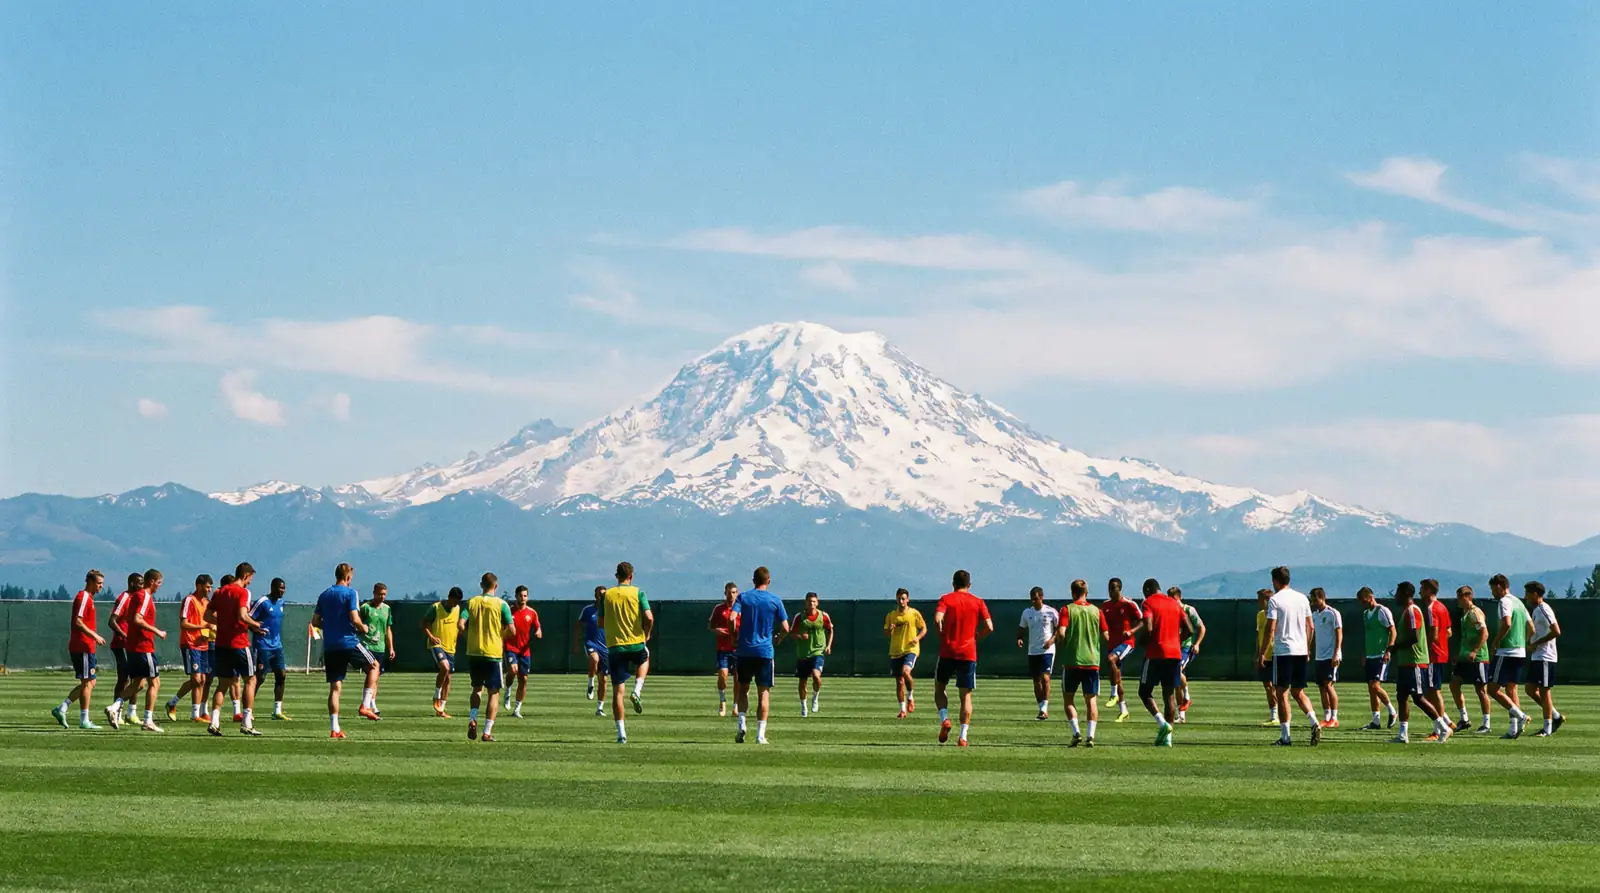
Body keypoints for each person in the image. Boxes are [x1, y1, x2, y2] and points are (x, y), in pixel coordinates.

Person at [1124, 578, 1191, 747]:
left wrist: (1144, 641)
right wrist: (1176, 640)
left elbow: (1148, 625)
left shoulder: (1148, 602)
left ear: (1148, 589)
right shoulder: (1174, 603)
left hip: (1156, 654)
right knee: (1168, 695)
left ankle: (1163, 724)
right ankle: (1168, 738)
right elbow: (1190, 629)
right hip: (1174, 654)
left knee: (1144, 692)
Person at [312, 563, 375, 740]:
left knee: (335, 687)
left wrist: (331, 626)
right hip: (348, 642)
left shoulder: (324, 595)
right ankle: (365, 705)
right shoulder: (351, 593)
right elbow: (355, 619)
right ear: (348, 577)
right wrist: (363, 628)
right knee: (374, 666)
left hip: (331, 645)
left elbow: (315, 621)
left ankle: (334, 728)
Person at [730, 566, 789, 744]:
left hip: (744, 650)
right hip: (764, 652)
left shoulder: (744, 597)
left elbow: (732, 618)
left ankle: (741, 723)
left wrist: (735, 637)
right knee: (763, 692)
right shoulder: (775, 600)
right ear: (768, 581)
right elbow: (786, 627)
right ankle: (760, 735)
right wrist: (779, 638)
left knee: (743, 688)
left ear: (753, 580)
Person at [1263, 567, 1321, 747]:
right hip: (1300, 651)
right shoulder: (1302, 598)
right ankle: (1314, 722)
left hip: (1284, 651)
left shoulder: (1275, 600)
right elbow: (1310, 627)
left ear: (1275, 581)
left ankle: (1285, 736)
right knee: (1298, 691)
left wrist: (1262, 652)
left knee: (1281, 692)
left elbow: (1270, 628)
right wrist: (1308, 648)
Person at [935, 569, 993, 747]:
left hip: (947, 651)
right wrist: (976, 636)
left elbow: (938, 619)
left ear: (953, 583)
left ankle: (945, 718)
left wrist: (942, 635)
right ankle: (963, 736)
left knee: (939, 688)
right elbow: (989, 627)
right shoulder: (978, 601)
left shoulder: (946, 599)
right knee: (966, 696)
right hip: (968, 653)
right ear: (969, 585)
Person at [1388, 582, 1451, 744]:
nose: (1395, 596)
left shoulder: (1412, 611)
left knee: (1417, 697)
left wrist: (1395, 647)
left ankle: (1443, 727)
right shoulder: (1406, 612)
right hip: (1406, 661)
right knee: (1401, 696)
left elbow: (1414, 637)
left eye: (1397, 592)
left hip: (1415, 661)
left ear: (1404, 593)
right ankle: (1403, 734)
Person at [206, 563, 264, 736]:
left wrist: (222, 624)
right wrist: (256, 625)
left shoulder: (220, 591)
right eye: (250, 578)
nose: (250, 583)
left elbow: (207, 616)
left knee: (223, 683)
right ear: (246, 575)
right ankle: (246, 722)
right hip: (239, 643)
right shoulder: (243, 592)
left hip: (221, 644)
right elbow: (243, 615)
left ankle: (214, 722)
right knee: (250, 680)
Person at [601, 562, 653, 743]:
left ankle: (621, 733)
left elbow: (600, 622)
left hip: (615, 647)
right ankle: (637, 690)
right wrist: (647, 632)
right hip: (636, 642)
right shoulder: (638, 592)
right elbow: (649, 617)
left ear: (617, 576)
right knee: (645, 658)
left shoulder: (607, 595)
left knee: (618, 692)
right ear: (631, 576)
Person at [460, 572, 514, 742]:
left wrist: (469, 638)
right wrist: (501, 636)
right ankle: (487, 731)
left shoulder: (472, 602)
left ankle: (472, 718)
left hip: (474, 652)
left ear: (481, 585)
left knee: (477, 688)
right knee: (494, 693)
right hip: (492, 652)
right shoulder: (501, 604)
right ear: (495, 586)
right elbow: (512, 630)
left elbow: (460, 624)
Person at [1056, 579, 1107, 747]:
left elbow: (1062, 632)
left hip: (1072, 660)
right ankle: (1090, 736)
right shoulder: (1096, 611)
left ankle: (1076, 732)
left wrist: (1064, 643)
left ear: (1072, 592)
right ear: (1087, 592)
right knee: (1091, 699)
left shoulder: (1067, 610)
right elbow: (1106, 635)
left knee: (1068, 698)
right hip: (1092, 661)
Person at [53, 569, 107, 730]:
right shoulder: (83, 597)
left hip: (86, 646)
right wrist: (94, 635)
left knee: (90, 682)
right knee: (87, 683)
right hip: (82, 645)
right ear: (89, 582)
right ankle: (84, 720)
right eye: (98, 583)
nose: (101, 587)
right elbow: (78, 621)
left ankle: (62, 708)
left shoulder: (88, 598)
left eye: (102, 584)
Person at [1487, 573, 1536, 739]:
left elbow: (1507, 623)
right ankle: (1514, 728)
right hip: (1520, 652)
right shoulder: (1519, 603)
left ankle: (1520, 716)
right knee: (1511, 688)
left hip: (1506, 651)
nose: (1492, 592)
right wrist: (1523, 641)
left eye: (1493, 588)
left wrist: (1495, 642)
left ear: (1500, 586)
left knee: (1492, 689)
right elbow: (1532, 628)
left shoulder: (1504, 601)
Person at [122, 569, 169, 733]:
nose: (159, 587)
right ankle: (148, 720)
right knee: (154, 683)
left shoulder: (136, 596)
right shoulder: (144, 596)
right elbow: (136, 619)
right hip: (143, 646)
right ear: (152, 581)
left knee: (138, 683)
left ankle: (115, 706)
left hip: (135, 646)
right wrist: (157, 631)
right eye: (159, 583)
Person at [166, 575, 213, 722]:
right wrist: (203, 627)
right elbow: (184, 624)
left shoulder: (206, 602)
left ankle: (188, 710)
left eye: (210, 587)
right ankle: (185, 709)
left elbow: (211, 621)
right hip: (190, 644)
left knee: (202, 680)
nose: (209, 590)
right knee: (196, 678)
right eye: (207, 587)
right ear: (199, 586)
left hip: (203, 645)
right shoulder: (189, 600)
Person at [1450, 585, 1493, 734]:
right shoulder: (1465, 613)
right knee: (1454, 684)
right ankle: (1464, 719)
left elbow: (1484, 633)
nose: (1457, 601)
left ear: (1466, 597)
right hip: (1465, 657)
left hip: (1478, 658)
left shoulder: (1475, 613)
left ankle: (1486, 724)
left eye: (1459, 598)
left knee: (1481, 690)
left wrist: (1475, 651)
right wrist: (1461, 653)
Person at [1525, 582, 1564, 738]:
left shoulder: (1543, 609)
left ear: (1535, 594)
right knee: (1529, 689)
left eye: (1527, 593)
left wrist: (1536, 643)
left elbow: (1556, 631)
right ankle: (1555, 716)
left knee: (1544, 690)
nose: (1525, 596)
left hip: (1545, 656)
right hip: (1538, 656)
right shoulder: (1536, 610)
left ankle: (1547, 728)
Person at [102, 572, 141, 729]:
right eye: (139, 583)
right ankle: (116, 713)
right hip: (121, 644)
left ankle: (131, 713)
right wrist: (125, 635)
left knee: (137, 678)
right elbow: (112, 621)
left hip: (134, 645)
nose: (141, 586)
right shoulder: (124, 598)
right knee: (124, 678)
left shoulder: (138, 598)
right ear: (131, 583)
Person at [251, 578, 292, 721]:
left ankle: (277, 711)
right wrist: (256, 629)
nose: (282, 591)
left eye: (284, 588)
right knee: (260, 677)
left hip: (277, 645)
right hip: (262, 645)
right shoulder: (262, 602)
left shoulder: (281, 603)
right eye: (280, 588)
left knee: (281, 674)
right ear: (273, 588)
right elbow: (247, 618)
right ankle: (248, 709)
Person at [1100, 578, 1141, 723]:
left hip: (1126, 643)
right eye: (1109, 588)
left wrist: (1132, 631)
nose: (1111, 591)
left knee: (1111, 659)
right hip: (1113, 643)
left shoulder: (1129, 604)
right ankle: (1123, 711)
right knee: (1118, 677)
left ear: (1119, 589)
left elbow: (1143, 620)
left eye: (1113, 588)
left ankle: (1113, 694)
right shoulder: (1105, 606)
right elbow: (1101, 623)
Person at [1357, 587, 1397, 730]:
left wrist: (1389, 650)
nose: (1363, 603)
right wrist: (1364, 654)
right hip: (1370, 655)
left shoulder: (1382, 611)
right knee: (1371, 689)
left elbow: (1392, 630)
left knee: (1375, 686)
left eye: (1364, 600)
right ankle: (1376, 720)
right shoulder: (1366, 613)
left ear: (1370, 597)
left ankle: (1392, 711)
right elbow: (1367, 635)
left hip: (1381, 654)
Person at [1016, 587, 1059, 720]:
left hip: (1047, 650)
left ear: (1041, 597)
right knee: (1036, 680)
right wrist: (1019, 638)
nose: (1033, 601)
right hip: (1033, 651)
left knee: (1045, 678)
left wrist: (1051, 641)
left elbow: (1059, 629)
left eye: (1036, 598)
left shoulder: (1051, 612)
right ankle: (1041, 708)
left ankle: (1045, 707)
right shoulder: (1027, 613)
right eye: (1032, 599)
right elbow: (1021, 629)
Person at [422, 587, 465, 718]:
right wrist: (431, 637)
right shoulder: (436, 607)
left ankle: (441, 709)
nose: (455, 604)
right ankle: (436, 695)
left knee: (448, 678)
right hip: (437, 644)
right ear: (449, 597)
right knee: (444, 667)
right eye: (454, 601)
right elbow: (424, 623)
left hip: (451, 647)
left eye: (458, 602)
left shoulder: (457, 609)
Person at [884, 588, 926, 718]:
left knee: (906, 672)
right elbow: (886, 633)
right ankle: (902, 709)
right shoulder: (891, 615)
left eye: (903, 598)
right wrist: (890, 630)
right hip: (896, 650)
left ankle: (911, 696)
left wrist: (917, 638)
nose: (901, 601)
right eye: (899, 598)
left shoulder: (914, 613)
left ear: (907, 599)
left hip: (910, 649)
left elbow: (924, 628)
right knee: (899, 681)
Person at [1419, 579, 1454, 731]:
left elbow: (1433, 634)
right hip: (1440, 654)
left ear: (1428, 590)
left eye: (1421, 588)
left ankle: (1439, 729)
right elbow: (1448, 632)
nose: (1419, 592)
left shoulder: (1431, 608)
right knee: (1427, 694)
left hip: (1433, 655)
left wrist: (1424, 650)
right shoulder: (1442, 607)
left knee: (1433, 691)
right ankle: (1446, 721)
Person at [791, 592, 833, 717]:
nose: (812, 604)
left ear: (817, 602)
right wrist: (800, 636)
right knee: (802, 682)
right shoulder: (799, 617)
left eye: (814, 601)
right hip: (803, 653)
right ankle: (804, 706)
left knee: (816, 675)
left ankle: (815, 696)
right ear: (806, 603)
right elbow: (792, 633)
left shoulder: (823, 616)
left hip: (818, 651)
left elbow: (830, 630)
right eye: (810, 601)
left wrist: (829, 645)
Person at [358, 583, 394, 719]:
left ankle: (372, 704)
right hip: (368, 646)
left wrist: (391, 647)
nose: (382, 597)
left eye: (384, 594)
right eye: (380, 594)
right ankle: (368, 705)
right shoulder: (366, 608)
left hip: (380, 646)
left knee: (376, 677)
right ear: (374, 593)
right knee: (372, 673)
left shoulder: (387, 609)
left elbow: (388, 629)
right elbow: (357, 623)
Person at [504, 585, 541, 718]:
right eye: (521, 595)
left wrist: (537, 632)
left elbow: (538, 628)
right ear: (516, 596)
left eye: (525, 596)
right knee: (513, 670)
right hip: (511, 647)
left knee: (523, 679)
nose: (523, 598)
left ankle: (517, 709)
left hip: (524, 650)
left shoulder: (532, 613)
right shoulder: (509, 611)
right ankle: (507, 690)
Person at [1309, 587, 1343, 729]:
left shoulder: (1333, 613)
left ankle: (1334, 718)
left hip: (1331, 656)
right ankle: (1327, 716)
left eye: (1315, 599)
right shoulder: (1314, 615)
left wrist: (1336, 653)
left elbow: (1339, 633)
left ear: (1322, 598)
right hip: (1319, 656)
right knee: (1321, 687)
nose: (1313, 602)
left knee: (1328, 686)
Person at [574, 586, 608, 716]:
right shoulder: (588, 610)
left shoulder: (610, 611)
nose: (601, 596)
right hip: (591, 643)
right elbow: (578, 625)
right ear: (595, 595)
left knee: (604, 680)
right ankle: (590, 683)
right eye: (599, 594)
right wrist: (576, 643)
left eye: (603, 595)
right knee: (594, 659)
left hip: (605, 647)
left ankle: (599, 708)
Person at [1172, 587, 1205, 722]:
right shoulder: (1171, 611)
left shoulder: (1188, 610)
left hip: (1186, 648)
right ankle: (1181, 715)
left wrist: (1197, 644)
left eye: (1173, 599)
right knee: (1176, 682)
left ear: (1179, 597)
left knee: (1177, 670)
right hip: (1174, 648)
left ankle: (1187, 697)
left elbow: (1201, 627)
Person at [708, 583, 740, 716]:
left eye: (733, 592)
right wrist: (717, 630)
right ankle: (722, 701)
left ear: (737, 594)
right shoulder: (719, 609)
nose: (731, 595)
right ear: (725, 593)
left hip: (738, 649)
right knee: (723, 675)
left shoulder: (741, 609)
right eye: (728, 592)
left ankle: (736, 706)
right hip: (723, 648)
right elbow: (710, 625)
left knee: (738, 678)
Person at [1253, 589, 1278, 726]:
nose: (1258, 602)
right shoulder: (1260, 615)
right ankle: (1273, 714)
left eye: (1259, 599)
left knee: (1275, 686)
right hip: (1264, 656)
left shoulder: (1277, 614)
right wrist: (1257, 654)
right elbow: (1259, 636)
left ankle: (1279, 715)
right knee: (1267, 685)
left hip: (1275, 654)